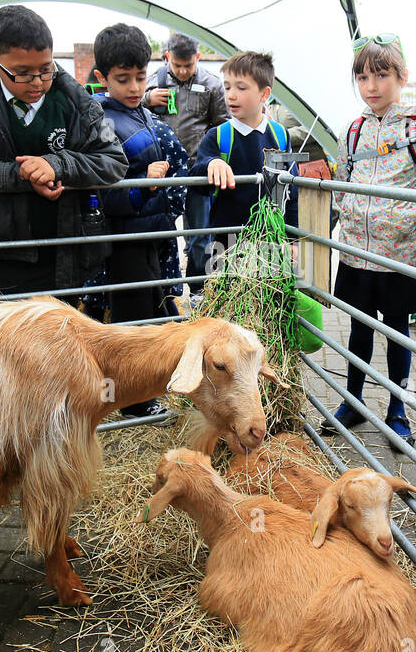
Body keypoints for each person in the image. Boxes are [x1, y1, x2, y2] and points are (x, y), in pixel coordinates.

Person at [317, 34, 416, 446]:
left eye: (381, 75)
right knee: (358, 330)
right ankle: (354, 401)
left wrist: (407, 223)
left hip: (401, 258)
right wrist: (351, 213)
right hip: (355, 255)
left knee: (398, 332)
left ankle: (398, 407)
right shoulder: (354, 129)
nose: (372, 86)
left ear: (402, 76)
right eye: (362, 77)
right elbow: (342, 180)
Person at [0, 5, 127, 299]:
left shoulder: (76, 99)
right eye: (22, 73)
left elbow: (113, 160)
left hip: (63, 253)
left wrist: (59, 164)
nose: (37, 82)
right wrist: (19, 174)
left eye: (45, 69)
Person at [91, 23, 188, 415]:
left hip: (150, 232)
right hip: (124, 235)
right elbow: (99, 185)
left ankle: (142, 389)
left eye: (140, 77)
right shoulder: (100, 122)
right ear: (102, 78)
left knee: (150, 311)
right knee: (130, 318)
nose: (134, 87)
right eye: (123, 79)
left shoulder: (144, 115)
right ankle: (131, 399)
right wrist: (141, 185)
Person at [143, 32, 228, 296]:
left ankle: (197, 288)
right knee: (162, 229)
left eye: (187, 65)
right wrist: (148, 100)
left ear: (197, 59)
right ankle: (163, 289)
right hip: (163, 171)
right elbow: (136, 114)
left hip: (196, 170)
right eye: (176, 65)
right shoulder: (153, 83)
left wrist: (212, 159)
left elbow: (222, 126)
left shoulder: (212, 84)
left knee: (200, 233)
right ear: (167, 57)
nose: (181, 71)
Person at [190, 50, 287, 258]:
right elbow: (195, 177)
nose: (231, 95)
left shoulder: (280, 135)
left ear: (264, 94)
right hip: (226, 243)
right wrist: (211, 163)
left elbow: (291, 190)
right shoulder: (217, 136)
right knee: (225, 289)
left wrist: (292, 233)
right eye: (227, 87)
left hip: (270, 241)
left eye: (241, 88)